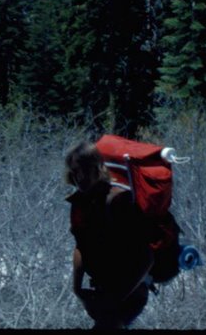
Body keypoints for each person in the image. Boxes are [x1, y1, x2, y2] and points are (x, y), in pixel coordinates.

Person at [65, 141, 152, 330]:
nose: (79, 177)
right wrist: (77, 289)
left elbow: (146, 257)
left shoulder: (119, 200)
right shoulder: (80, 203)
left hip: (130, 292)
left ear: (98, 168)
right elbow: (80, 246)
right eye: (75, 172)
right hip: (100, 291)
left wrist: (116, 298)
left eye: (84, 170)